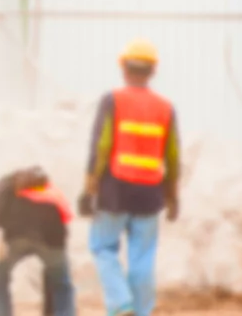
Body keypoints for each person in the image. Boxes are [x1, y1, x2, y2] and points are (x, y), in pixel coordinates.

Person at [79, 38, 179, 316]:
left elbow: (101, 146)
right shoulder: (165, 107)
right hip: (150, 193)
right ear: (153, 71)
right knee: (142, 258)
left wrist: (89, 188)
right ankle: (141, 311)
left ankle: (122, 304)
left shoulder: (113, 100)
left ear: (123, 68)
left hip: (114, 190)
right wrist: (172, 196)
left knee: (102, 247)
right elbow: (172, 156)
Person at [0, 165, 77, 316]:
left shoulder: (7, 185)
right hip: (51, 238)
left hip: (15, 236)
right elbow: (66, 218)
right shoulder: (51, 191)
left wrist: (1, 238)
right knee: (61, 284)